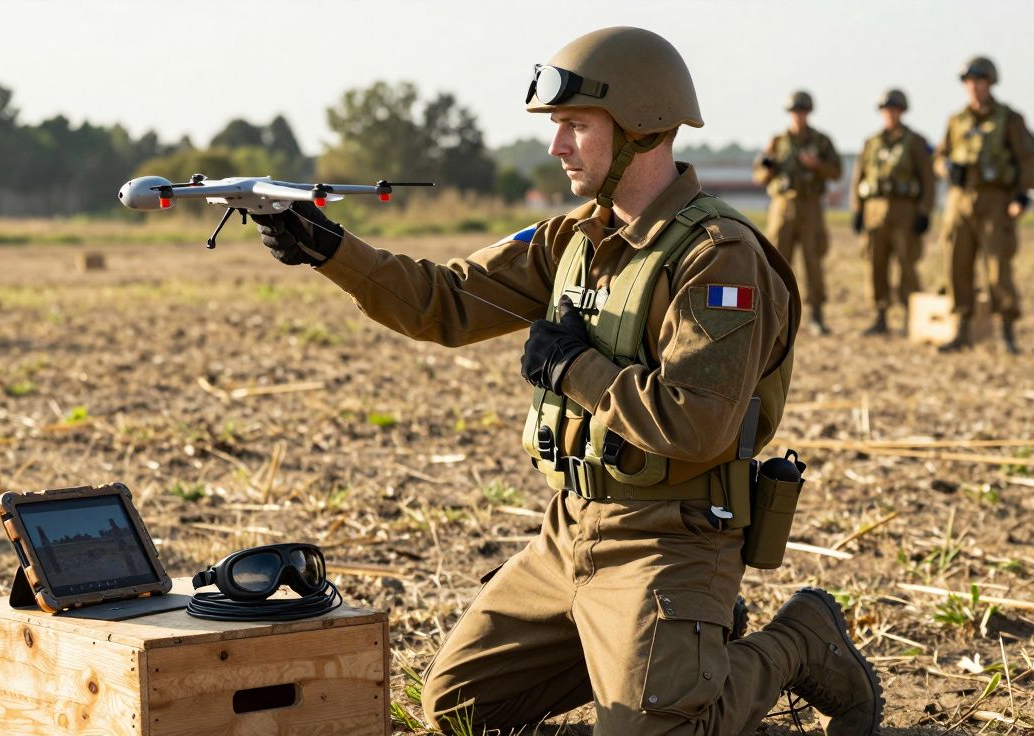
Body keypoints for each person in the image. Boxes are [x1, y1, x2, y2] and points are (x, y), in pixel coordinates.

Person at [251, 26, 881, 736]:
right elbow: (446, 302)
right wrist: (331, 249)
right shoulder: (571, 239)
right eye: (557, 126)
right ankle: (668, 650)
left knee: (659, 733)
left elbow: (697, 425)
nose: (557, 146)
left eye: (576, 126)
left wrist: (571, 367)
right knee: (459, 710)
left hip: (671, 540)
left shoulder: (719, 258)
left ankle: (798, 641)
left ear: (642, 128)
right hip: (569, 533)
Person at [934, 56, 1033, 354]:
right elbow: (939, 157)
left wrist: (1021, 195)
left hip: (996, 200)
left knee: (997, 266)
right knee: (956, 264)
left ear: (990, 83)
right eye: (970, 83)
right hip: (960, 200)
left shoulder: (1009, 119)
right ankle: (962, 329)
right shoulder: (956, 121)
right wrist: (946, 168)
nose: (974, 88)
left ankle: (1006, 330)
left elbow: (1028, 159)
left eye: (980, 82)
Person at [754, 91, 843, 336]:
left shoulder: (821, 141)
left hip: (811, 206)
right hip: (782, 206)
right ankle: (776, 317)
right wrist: (768, 167)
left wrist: (817, 165)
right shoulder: (777, 141)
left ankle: (816, 315)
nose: (799, 116)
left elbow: (837, 172)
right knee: (778, 262)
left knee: (813, 260)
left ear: (809, 113)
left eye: (803, 111)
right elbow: (759, 175)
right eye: (795, 111)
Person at [850, 89, 936, 335]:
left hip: (904, 212)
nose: (890, 113)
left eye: (895, 109)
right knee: (875, 265)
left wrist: (924, 211)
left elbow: (928, 180)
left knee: (907, 263)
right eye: (886, 109)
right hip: (874, 213)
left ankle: (912, 316)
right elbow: (859, 178)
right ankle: (880, 316)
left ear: (902, 111)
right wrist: (857, 210)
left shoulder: (916, 142)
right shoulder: (871, 143)